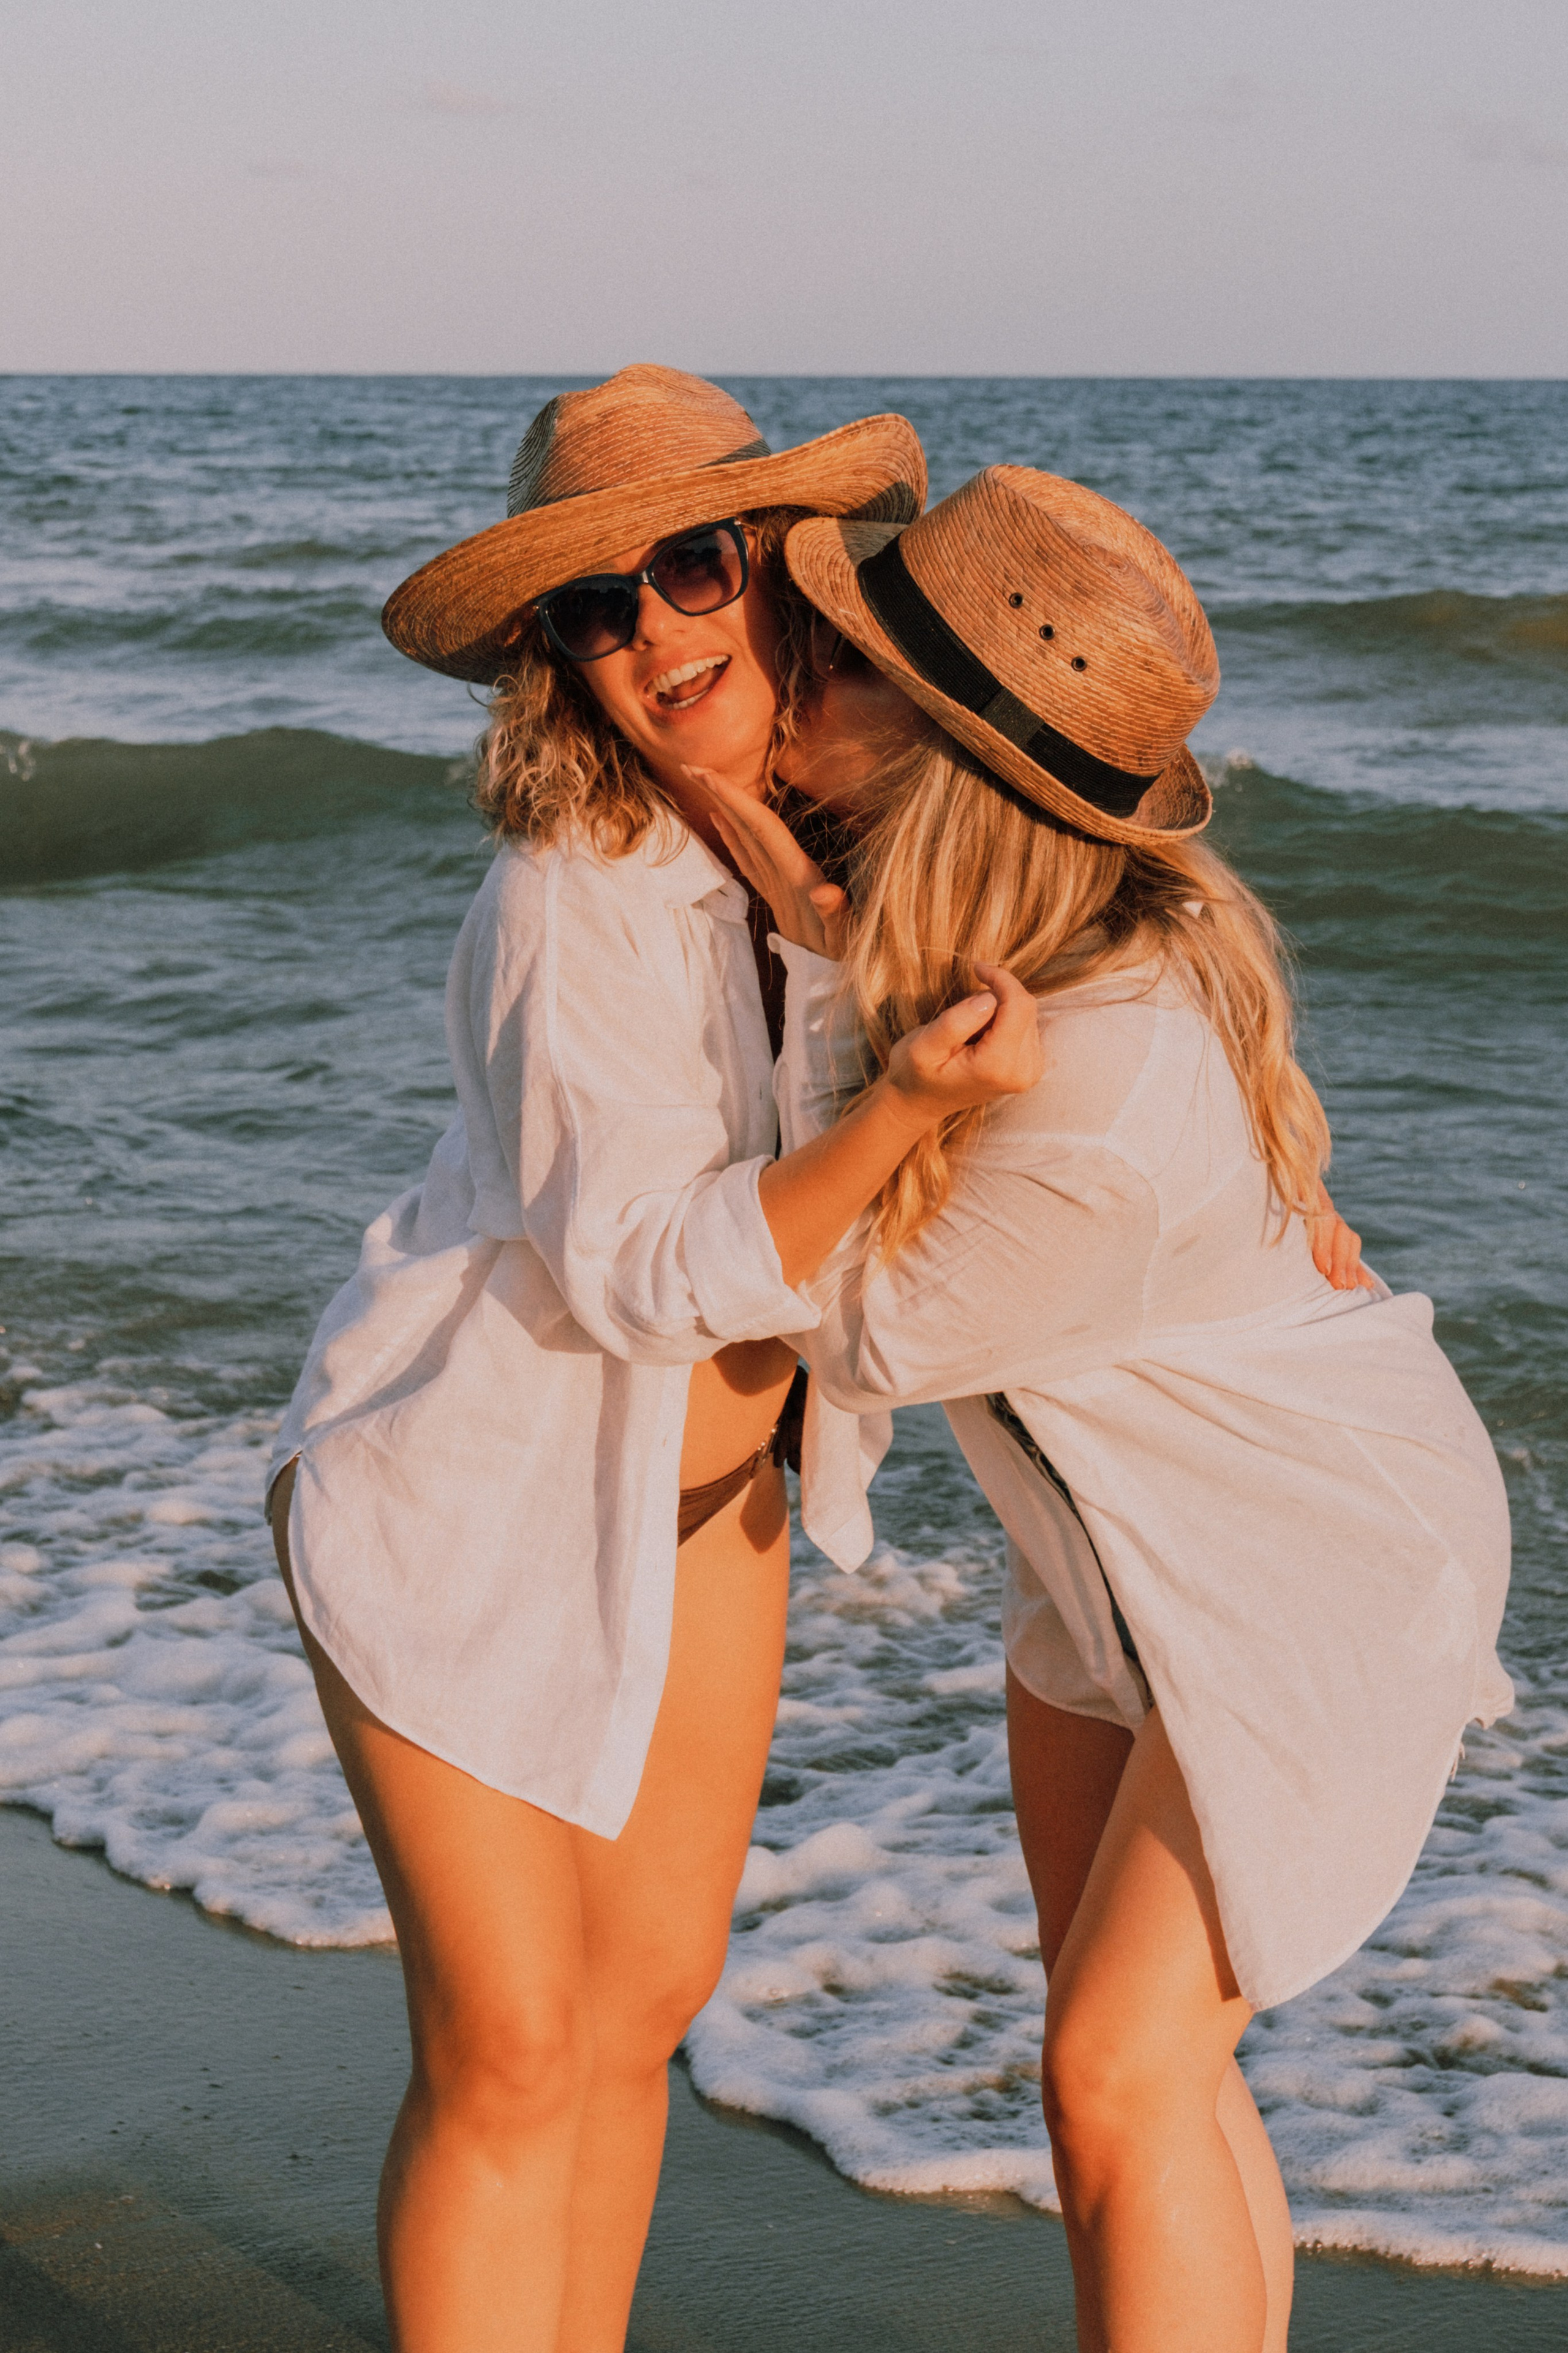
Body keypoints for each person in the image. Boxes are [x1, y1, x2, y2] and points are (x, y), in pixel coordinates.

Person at [263, 366, 1036, 2353]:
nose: (657, 633)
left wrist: (1291, 1194)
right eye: (596, 611)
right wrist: (877, 1119)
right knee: (515, 2048)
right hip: (468, 1494)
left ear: (776, 567)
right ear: (557, 664)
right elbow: (635, 1272)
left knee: (640, 2017)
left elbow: (1100, 1008)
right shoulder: (569, 897)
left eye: (689, 566)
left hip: (711, 1508)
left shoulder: (841, 849)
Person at [706, 464, 1513, 2353]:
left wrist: (816, 950)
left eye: (838, 659)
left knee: (1116, 2069)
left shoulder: (1100, 1094)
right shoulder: (1057, 970)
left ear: (939, 762)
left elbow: (853, 1322)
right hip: (1132, 1560)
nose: (789, 677)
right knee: (1139, 2074)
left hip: (1310, 1572)